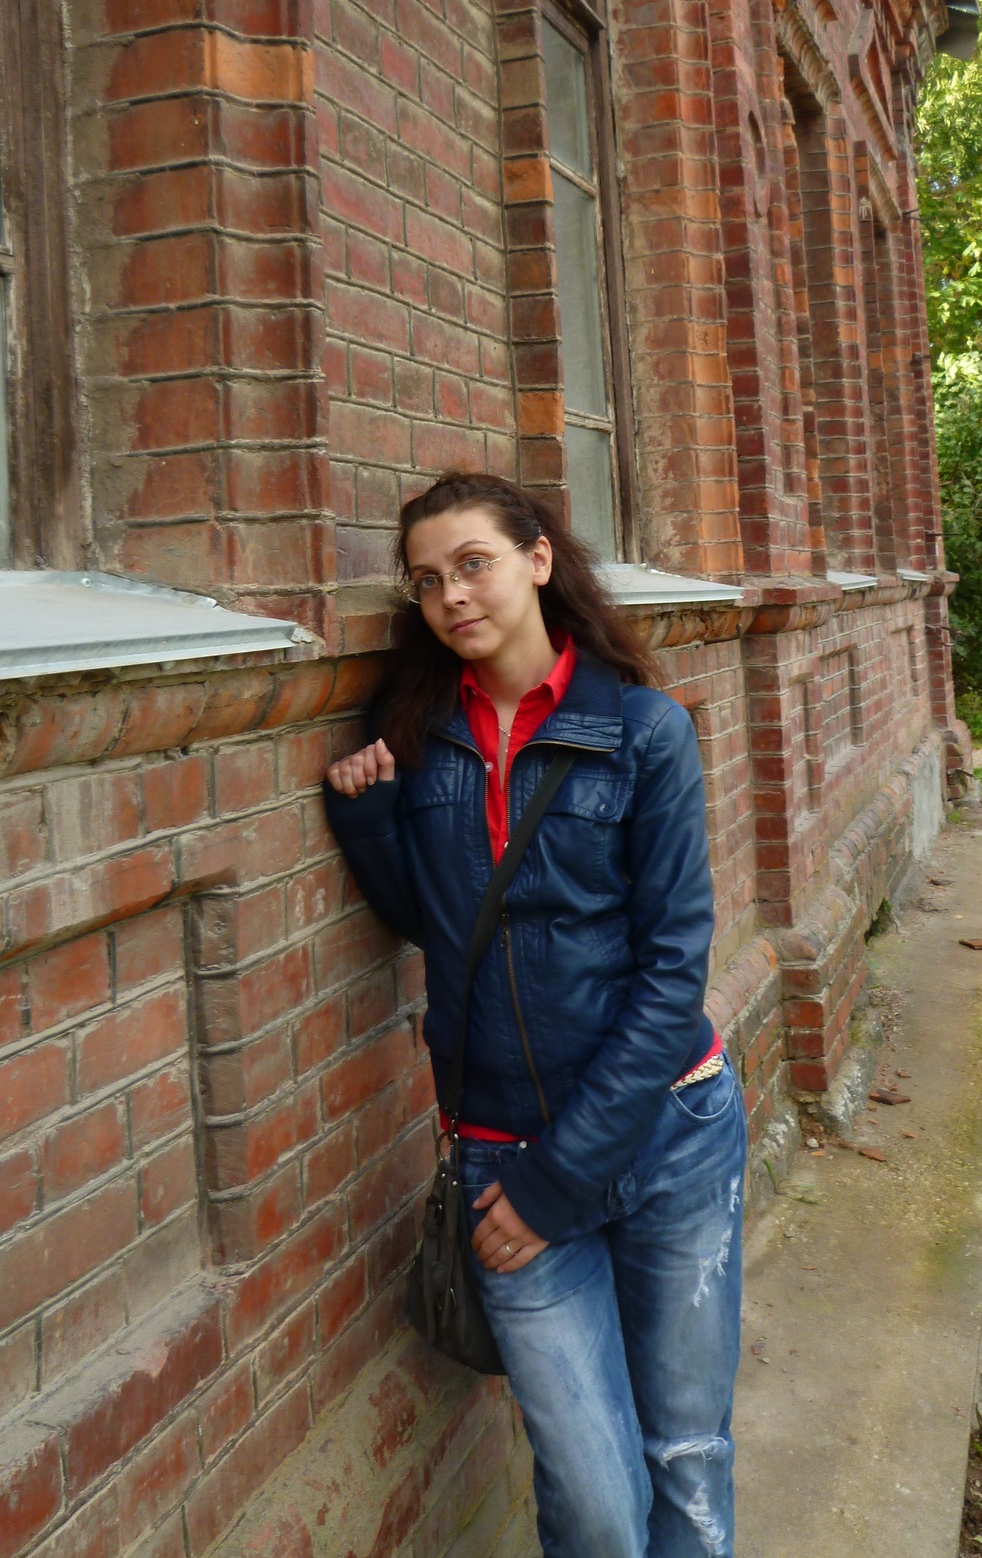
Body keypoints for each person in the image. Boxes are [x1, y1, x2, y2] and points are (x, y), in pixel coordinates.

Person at [323, 471, 746, 1558]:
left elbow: (672, 977)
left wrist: (560, 1182)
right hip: (502, 1153)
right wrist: (368, 816)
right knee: (594, 1501)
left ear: (539, 559)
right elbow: (432, 923)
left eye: (473, 563)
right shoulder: (420, 735)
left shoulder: (643, 731)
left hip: (669, 1135)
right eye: (427, 580)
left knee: (685, 1454)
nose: (452, 595)